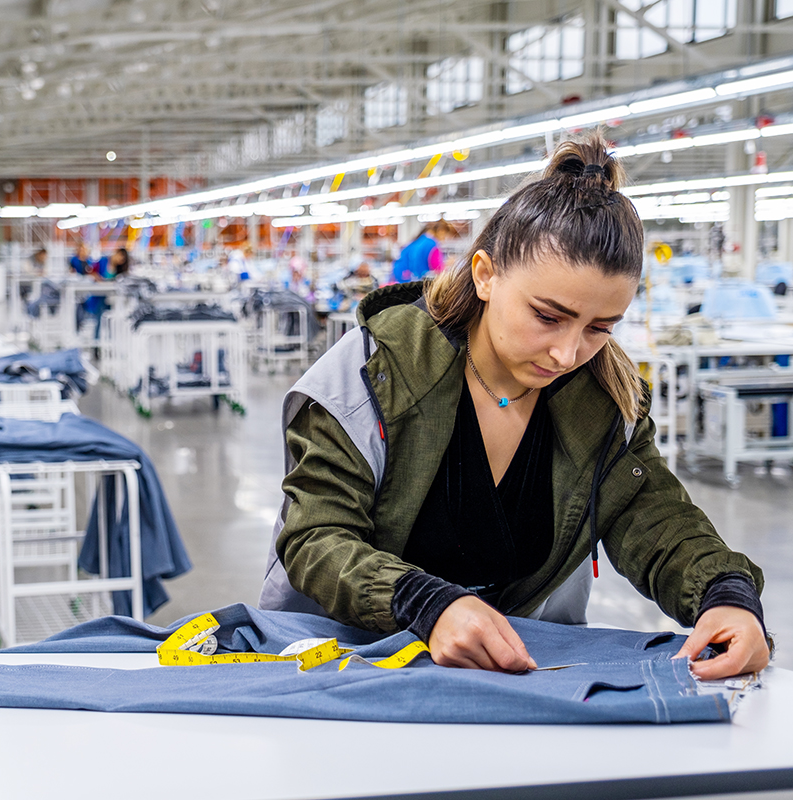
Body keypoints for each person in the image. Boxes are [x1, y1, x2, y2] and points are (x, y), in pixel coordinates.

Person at [261, 135, 770, 680]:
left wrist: (726, 595)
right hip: (344, 671)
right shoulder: (372, 374)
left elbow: (659, 522)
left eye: (599, 328)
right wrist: (424, 604)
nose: (568, 352)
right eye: (548, 316)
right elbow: (317, 537)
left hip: (512, 679)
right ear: (485, 273)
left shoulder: (603, 405)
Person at [390, 219, 458, 284]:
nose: (444, 239)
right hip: (415, 280)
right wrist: (448, 264)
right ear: (441, 231)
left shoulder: (421, 240)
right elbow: (438, 269)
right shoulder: (432, 244)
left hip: (405, 278)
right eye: (445, 236)